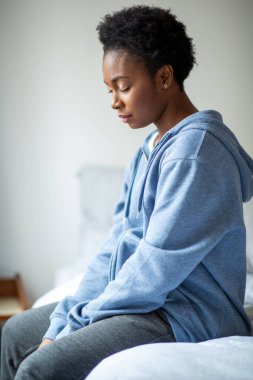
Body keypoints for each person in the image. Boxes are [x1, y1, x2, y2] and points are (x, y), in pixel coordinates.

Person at [1, 5, 252, 380]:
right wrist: (67, 315)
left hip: (185, 313)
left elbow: (154, 269)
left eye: (123, 85)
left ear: (164, 76)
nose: (114, 101)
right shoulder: (149, 148)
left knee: (41, 368)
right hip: (150, 303)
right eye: (109, 89)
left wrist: (75, 325)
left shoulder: (197, 152)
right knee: (14, 333)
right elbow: (116, 244)